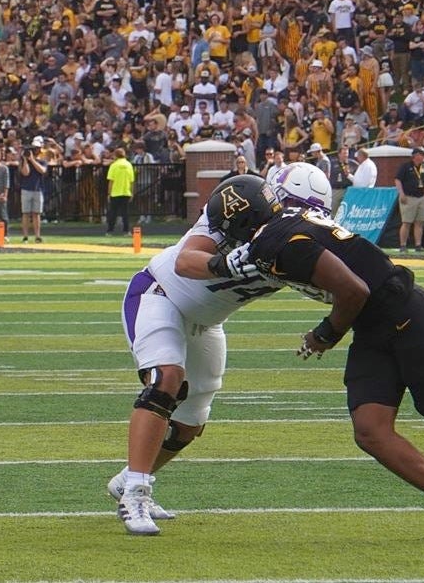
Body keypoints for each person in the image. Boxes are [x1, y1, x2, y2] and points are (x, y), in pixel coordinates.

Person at [198, 177, 424, 542]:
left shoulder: (278, 241)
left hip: (404, 314)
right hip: (373, 325)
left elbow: (353, 289)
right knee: (371, 431)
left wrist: (324, 335)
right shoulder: (285, 224)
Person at [112, 171, 322, 536]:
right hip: (161, 295)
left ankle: (128, 478)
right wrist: (226, 263)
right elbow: (186, 261)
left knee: (192, 421)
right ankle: (136, 491)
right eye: (295, 208)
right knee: (166, 380)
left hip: (207, 321)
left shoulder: (300, 240)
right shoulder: (240, 207)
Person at [394, 147, 424, 252]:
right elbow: (397, 180)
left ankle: (418, 245)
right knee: (406, 222)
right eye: (422, 154)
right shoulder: (406, 167)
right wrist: (401, 194)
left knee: (419, 222)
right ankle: (403, 245)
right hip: (409, 197)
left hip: (420, 197)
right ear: (416, 155)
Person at [19, 136, 49, 243]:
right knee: (26, 213)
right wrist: (26, 160)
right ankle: (25, 236)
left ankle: (37, 235)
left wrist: (32, 160)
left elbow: (42, 170)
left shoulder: (42, 160)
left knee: (36, 213)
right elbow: (25, 173)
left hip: (38, 188)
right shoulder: (24, 160)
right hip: (26, 188)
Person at [106, 147, 135, 235]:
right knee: (125, 214)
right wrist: (132, 192)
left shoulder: (114, 165)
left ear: (115, 155)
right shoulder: (129, 165)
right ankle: (126, 231)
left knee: (113, 213)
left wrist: (109, 193)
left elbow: (111, 181)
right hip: (126, 192)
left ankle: (110, 230)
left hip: (115, 193)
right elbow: (132, 181)